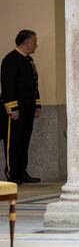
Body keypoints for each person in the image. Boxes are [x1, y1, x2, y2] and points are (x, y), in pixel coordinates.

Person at [0, 29, 42, 184]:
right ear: (26, 42)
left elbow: (33, 84)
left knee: (24, 141)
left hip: (28, 109)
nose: (36, 45)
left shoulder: (28, 60)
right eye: (35, 42)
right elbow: (7, 87)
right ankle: (12, 173)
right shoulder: (10, 60)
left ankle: (21, 172)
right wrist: (13, 109)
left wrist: (37, 104)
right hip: (15, 111)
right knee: (13, 142)